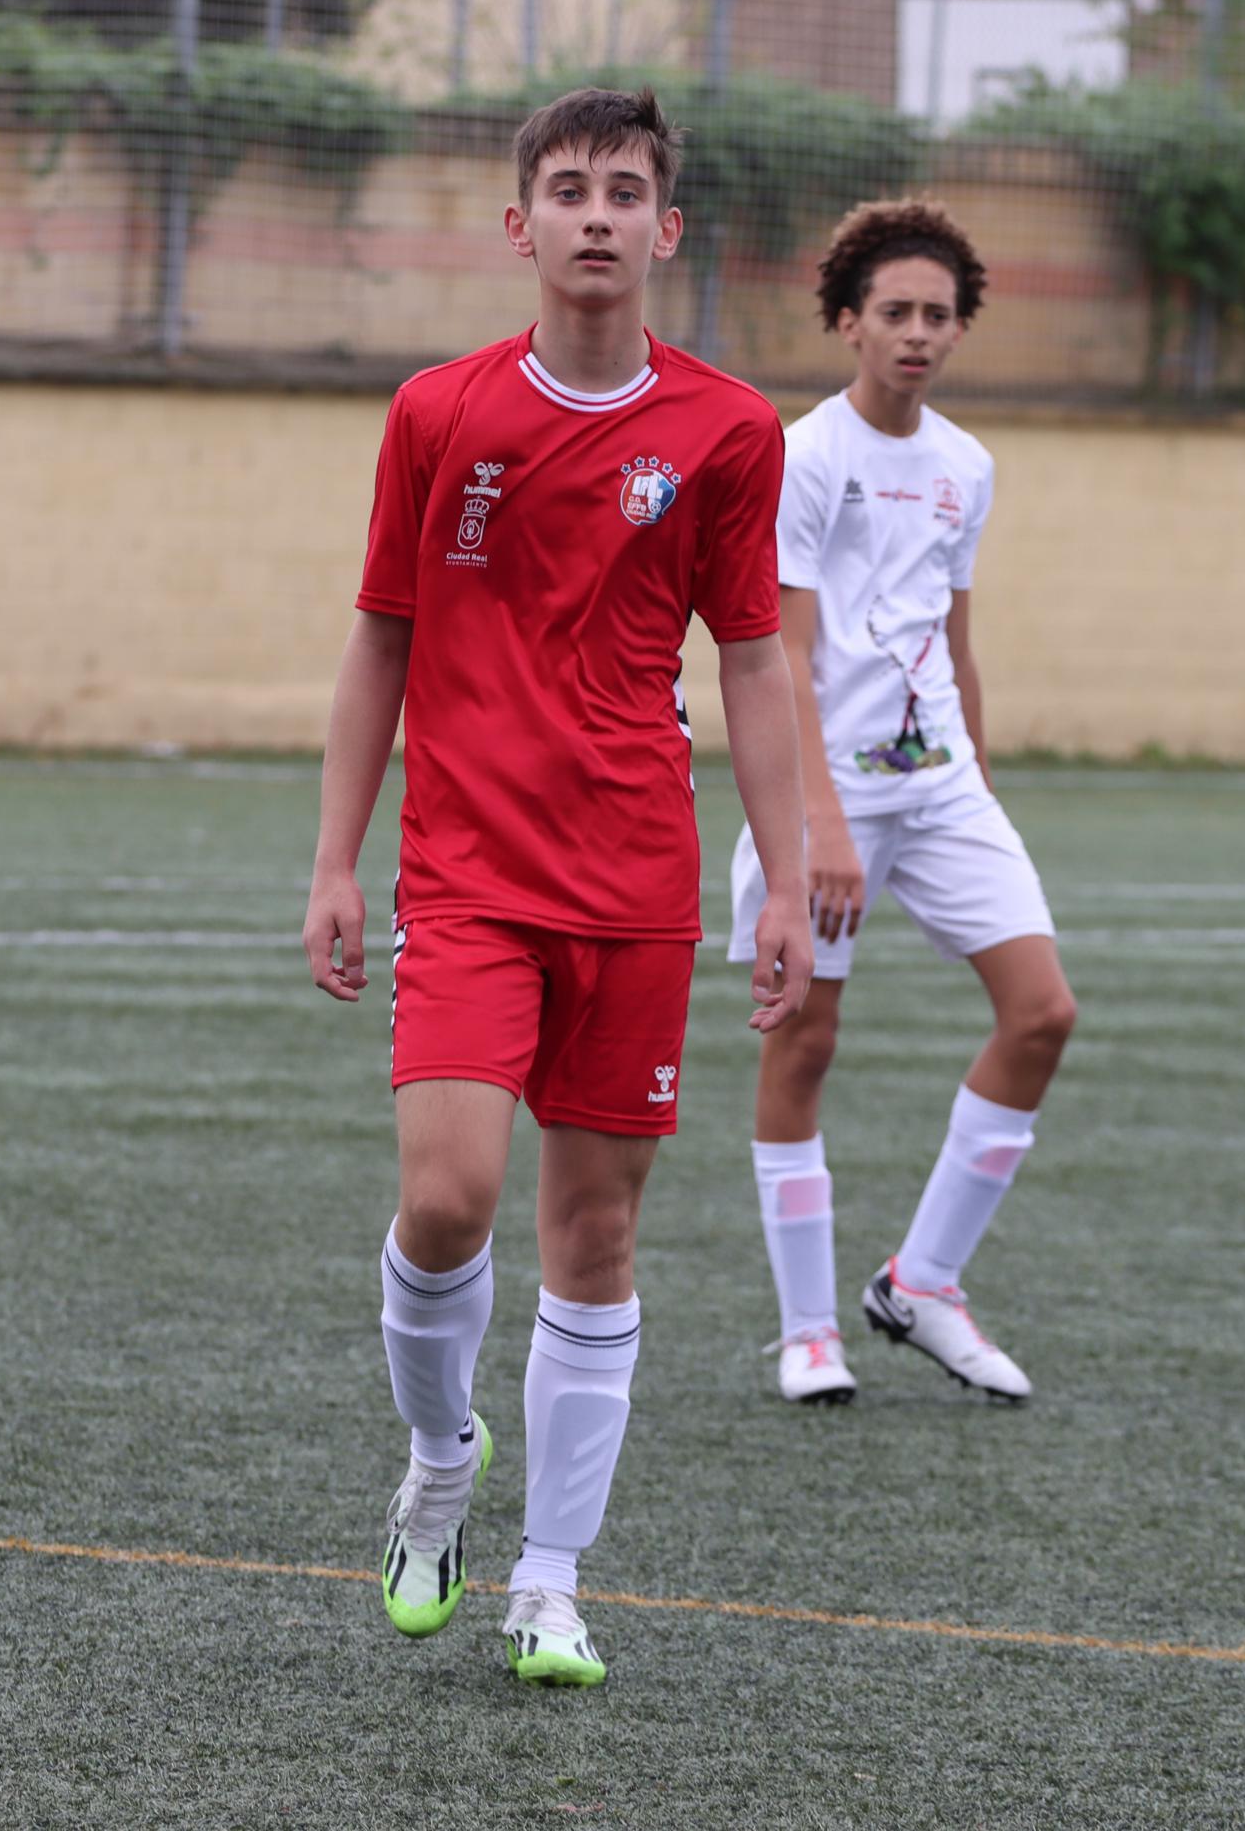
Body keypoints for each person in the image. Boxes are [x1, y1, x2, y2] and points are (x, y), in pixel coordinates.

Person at [302, 86, 816, 1688]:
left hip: (638, 885)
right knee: (448, 1199)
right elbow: (382, 636)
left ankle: (550, 1581)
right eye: (572, 189)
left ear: (668, 230)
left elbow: (753, 660)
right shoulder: (439, 413)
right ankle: (439, 1461)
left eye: (628, 192)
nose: (599, 214)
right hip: (466, 877)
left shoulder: (729, 431)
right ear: (520, 225)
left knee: (594, 1233)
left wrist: (786, 876)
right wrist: (335, 858)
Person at [725, 199, 1078, 1407]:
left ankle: (921, 1284)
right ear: (848, 323)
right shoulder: (804, 457)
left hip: (942, 791)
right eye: (895, 312)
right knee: (805, 1041)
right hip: (825, 792)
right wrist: (818, 824)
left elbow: (954, 638)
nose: (918, 332)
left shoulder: (967, 467)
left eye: (938, 314)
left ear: (960, 328)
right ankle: (807, 1332)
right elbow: (779, 651)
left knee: (1043, 1014)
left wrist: (979, 777)